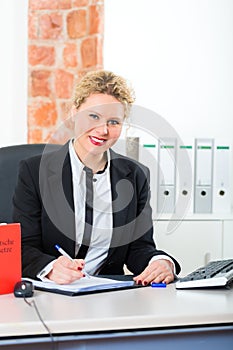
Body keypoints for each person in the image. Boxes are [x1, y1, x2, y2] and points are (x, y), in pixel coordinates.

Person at [13, 70, 181, 286]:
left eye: (113, 122)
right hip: (53, 293)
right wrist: (50, 268)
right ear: (74, 113)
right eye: (93, 116)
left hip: (108, 293)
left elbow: (138, 247)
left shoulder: (136, 176)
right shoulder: (34, 171)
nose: (102, 130)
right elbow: (23, 247)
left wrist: (160, 262)